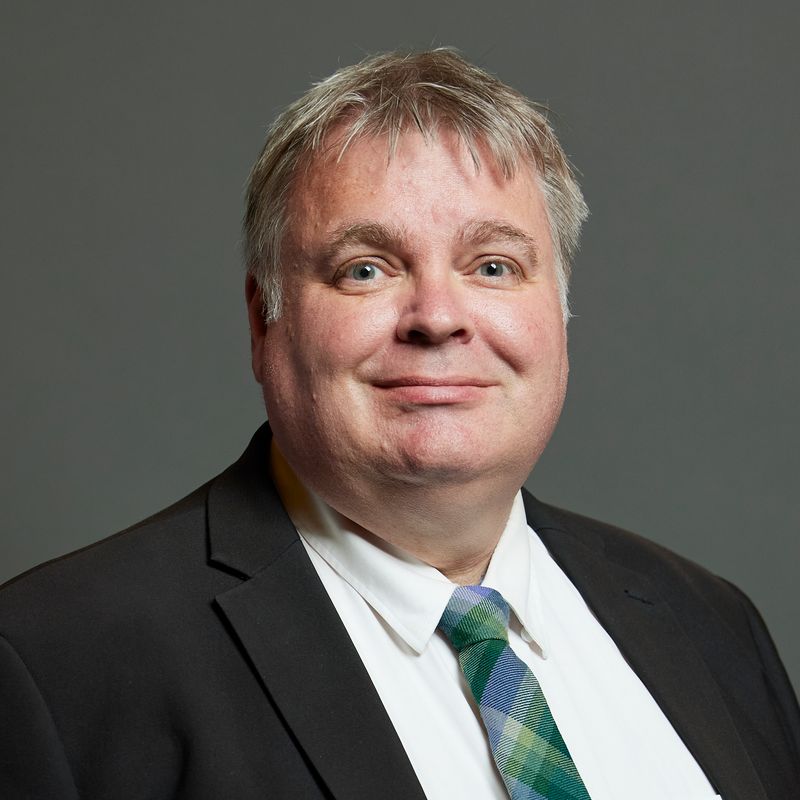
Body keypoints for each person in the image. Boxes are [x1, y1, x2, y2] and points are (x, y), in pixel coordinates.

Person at [1, 49, 797, 800]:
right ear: (263, 321)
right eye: (366, 269)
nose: (438, 318)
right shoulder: (54, 664)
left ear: (559, 312)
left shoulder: (710, 624)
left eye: (493, 266)